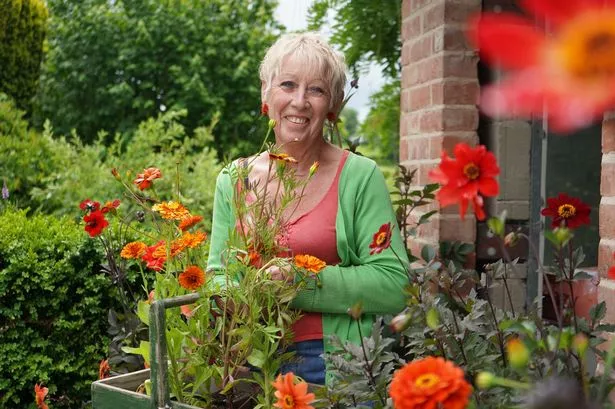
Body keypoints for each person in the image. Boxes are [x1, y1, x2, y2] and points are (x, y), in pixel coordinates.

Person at [207, 32, 409, 386]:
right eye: (288, 84)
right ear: (266, 94)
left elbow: (394, 284)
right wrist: (233, 301)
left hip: (336, 361)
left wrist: (299, 281)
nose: (299, 101)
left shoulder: (360, 178)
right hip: (253, 360)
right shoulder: (234, 179)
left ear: (333, 105)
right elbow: (218, 274)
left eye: (315, 90)